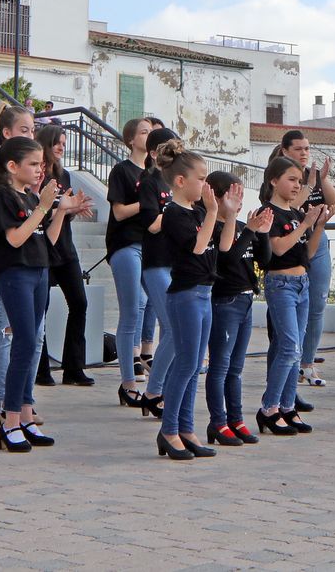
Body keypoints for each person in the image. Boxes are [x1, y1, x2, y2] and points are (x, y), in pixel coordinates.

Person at [0, 136, 70, 453]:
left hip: (38, 269)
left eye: (40, 164)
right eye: (33, 164)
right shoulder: (3, 196)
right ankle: (9, 421)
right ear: (12, 166)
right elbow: (16, 238)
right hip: (15, 272)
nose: (39, 169)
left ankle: (24, 416)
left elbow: (43, 239)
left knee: (33, 342)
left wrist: (59, 212)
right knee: (22, 341)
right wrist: (46, 205)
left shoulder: (29, 198)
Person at [154, 141, 221, 460]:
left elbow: (216, 244)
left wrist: (225, 214)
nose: (205, 185)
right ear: (181, 181)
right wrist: (212, 213)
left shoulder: (196, 211)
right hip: (185, 294)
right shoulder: (173, 213)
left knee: (195, 364)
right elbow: (197, 246)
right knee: (185, 362)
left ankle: (186, 428)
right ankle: (169, 430)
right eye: (201, 178)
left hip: (204, 292)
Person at [256, 155, 329, 436]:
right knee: (288, 348)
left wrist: (317, 224)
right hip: (281, 284)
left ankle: (288, 406)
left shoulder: (297, 214)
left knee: (295, 350)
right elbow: (279, 249)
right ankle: (269, 408)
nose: (297, 185)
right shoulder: (269, 213)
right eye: (291, 179)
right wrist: (303, 224)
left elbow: (306, 253)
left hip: (302, 283)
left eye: (300, 181)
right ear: (274, 181)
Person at [267, 130, 335, 389]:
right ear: (285, 150)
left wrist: (323, 178)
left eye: (307, 148)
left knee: (317, 303)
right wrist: (309, 184)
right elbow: (291, 208)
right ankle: (284, 372)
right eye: (298, 148)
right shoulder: (280, 177)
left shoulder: (311, 176)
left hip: (315, 239)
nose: (304, 153)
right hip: (289, 249)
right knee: (286, 317)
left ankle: (307, 362)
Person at [205, 171, 273, 447]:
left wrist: (263, 234)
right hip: (225, 301)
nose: (239, 200)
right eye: (233, 195)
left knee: (236, 367)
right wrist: (247, 231)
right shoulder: (214, 227)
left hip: (246, 300)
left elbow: (265, 259)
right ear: (217, 197)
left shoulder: (243, 226)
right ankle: (218, 422)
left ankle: (236, 419)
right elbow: (228, 259)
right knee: (220, 366)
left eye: (242, 194)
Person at [0, 104, 37, 407]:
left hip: (31, 262)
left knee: (32, 337)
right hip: (7, 262)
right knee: (7, 330)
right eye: (24, 130)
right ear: (6, 134)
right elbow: (11, 232)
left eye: (33, 130)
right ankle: (8, 401)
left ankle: (23, 401)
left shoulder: (26, 185)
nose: (31, 135)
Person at [34, 125, 96, 386]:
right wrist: (63, 207)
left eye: (63, 143)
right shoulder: (36, 173)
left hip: (65, 248)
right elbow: (38, 209)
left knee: (79, 303)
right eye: (57, 143)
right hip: (43, 248)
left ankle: (74, 368)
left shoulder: (65, 175)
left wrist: (73, 209)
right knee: (41, 308)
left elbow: (63, 206)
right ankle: (40, 368)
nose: (61, 147)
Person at [106, 117, 154, 407]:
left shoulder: (156, 173)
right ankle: (128, 382)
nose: (149, 136)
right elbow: (120, 212)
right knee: (131, 311)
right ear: (131, 140)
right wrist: (147, 202)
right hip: (126, 244)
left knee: (156, 305)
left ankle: (152, 375)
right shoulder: (122, 171)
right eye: (144, 132)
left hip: (152, 247)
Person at [138, 127, 183, 418]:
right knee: (174, 329)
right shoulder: (150, 180)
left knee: (171, 329)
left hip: (176, 262)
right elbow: (151, 223)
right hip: (155, 262)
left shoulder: (176, 182)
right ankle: (153, 391)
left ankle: (163, 388)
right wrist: (174, 213)